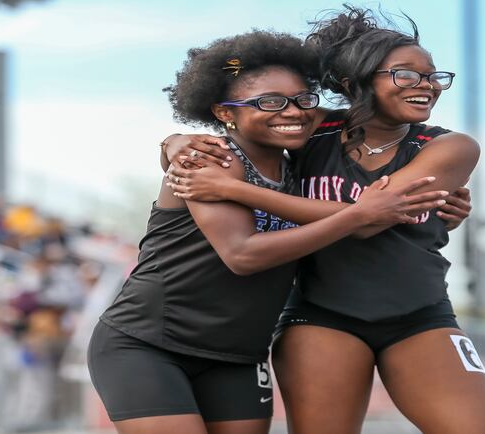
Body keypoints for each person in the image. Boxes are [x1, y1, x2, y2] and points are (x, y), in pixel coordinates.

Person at [163, 7, 485, 434]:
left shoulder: (449, 147)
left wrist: (238, 190)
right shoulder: (312, 128)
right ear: (354, 83)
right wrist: (173, 140)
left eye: (433, 76)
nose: (426, 85)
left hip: (420, 316)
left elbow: (367, 220)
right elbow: (247, 125)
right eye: (406, 74)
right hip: (321, 316)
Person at [87, 30, 449, 434]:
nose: (291, 112)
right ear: (225, 113)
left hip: (238, 355)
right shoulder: (208, 161)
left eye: (302, 100)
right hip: (150, 342)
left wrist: (436, 211)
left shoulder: (302, 166)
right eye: (269, 103)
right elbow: (243, 255)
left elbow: (359, 186)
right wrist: (361, 214)